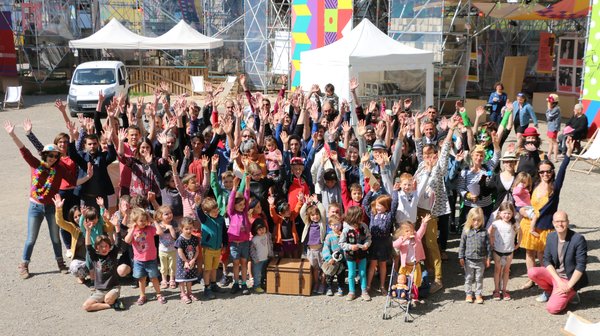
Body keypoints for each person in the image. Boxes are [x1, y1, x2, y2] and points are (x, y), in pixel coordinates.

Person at [5, 120, 69, 278]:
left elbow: (73, 181)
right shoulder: (36, 164)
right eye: (50, 155)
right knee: (31, 239)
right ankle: (24, 265)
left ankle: (60, 262)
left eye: (56, 156)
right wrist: (13, 135)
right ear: (44, 155)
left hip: (51, 207)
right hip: (35, 207)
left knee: (55, 237)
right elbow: (24, 150)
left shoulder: (59, 170)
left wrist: (88, 176)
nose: (53, 158)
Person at [520, 138, 575, 290]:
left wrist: (568, 155)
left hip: (545, 228)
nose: (545, 174)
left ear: (552, 173)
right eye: (542, 172)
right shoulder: (536, 183)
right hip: (530, 224)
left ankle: (545, 281)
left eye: (548, 171)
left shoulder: (555, 187)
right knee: (529, 254)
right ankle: (531, 278)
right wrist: (534, 153)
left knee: (544, 256)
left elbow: (562, 171)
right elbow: (539, 164)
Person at [527, 211, 588, 314]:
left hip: (569, 279)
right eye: (557, 221)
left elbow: (581, 265)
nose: (560, 224)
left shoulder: (578, 239)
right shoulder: (551, 237)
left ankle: (572, 293)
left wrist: (568, 286)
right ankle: (550, 291)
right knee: (532, 272)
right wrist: (558, 280)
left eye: (563, 221)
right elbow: (547, 260)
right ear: (553, 223)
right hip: (557, 276)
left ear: (568, 222)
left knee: (552, 309)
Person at [82, 213, 130, 312]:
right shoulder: (95, 257)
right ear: (97, 248)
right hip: (99, 291)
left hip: (113, 288)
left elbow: (118, 242)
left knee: (108, 298)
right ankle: (112, 305)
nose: (104, 248)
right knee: (86, 306)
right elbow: (88, 247)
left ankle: (107, 301)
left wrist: (116, 226)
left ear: (109, 246)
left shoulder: (112, 254)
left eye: (106, 246)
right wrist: (88, 231)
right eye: (101, 246)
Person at [124, 208, 167, 305]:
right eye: (141, 221)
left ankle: (159, 294)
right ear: (135, 221)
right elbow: (127, 240)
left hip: (151, 259)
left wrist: (154, 221)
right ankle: (142, 295)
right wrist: (133, 229)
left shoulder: (150, 229)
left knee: (154, 278)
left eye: (145, 220)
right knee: (141, 279)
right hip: (139, 260)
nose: (143, 222)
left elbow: (160, 232)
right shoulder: (132, 230)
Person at [363, 188, 398, 296]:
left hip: (384, 243)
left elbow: (395, 203)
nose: (377, 207)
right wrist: (371, 191)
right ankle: (368, 285)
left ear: (386, 207)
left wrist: (395, 191)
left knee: (382, 265)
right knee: (372, 264)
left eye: (380, 205)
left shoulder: (389, 215)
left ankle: (382, 285)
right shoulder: (373, 214)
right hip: (374, 242)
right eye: (377, 205)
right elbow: (365, 203)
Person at [392, 214, 432, 302]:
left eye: (411, 230)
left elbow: (421, 231)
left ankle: (414, 296)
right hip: (405, 265)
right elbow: (394, 245)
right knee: (402, 280)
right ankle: (402, 294)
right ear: (402, 233)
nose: (409, 233)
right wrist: (403, 239)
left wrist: (424, 223)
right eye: (406, 231)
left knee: (414, 282)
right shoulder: (402, 240)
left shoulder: (417, 237)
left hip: (415, 264)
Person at [458, 207, 491, 304]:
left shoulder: (484, 232)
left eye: (478, 220)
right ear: (470, 220)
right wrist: (461, 257)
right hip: (468, 260)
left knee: (479, 278)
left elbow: (488, 246)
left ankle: (478, 294)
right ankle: (468, 294)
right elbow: (462, 245)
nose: (476, 222)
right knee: (468, 278)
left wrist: (489, 258)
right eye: (474, 220)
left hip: (480, 260)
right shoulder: (466, 231)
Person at [197, 196, 228, 299]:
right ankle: (207, 288)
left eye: (217, 210)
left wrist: (225, 244)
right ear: (207, 212)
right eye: (214, 211)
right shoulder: (205, 219)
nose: (216, 212)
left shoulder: (220, 219)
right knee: (207, 270)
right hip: (208, 249)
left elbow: (224, 233)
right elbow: (200, 213)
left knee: (215, 268)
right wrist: (198, 205)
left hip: (218, 248)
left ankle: (214, 284)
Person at [339, 206, 372, 302]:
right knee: (351, 273)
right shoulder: (346, 230)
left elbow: (368, 238)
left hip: (362, 254)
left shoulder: (364, 226)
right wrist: (350, 247)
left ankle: (364, 291)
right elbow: (341, 243)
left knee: (362, 273)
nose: (360, 220)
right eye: (359, 218)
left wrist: (367, 244)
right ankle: (351, 291)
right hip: (350, 255)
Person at [489, 202, 520, 301]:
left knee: (506, 271)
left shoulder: (514, 224)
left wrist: (518, 244)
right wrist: (491, 242)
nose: (507, 215)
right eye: (504, 213)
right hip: (497, 251)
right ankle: (496, 290)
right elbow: (490, 232)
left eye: (509, 213)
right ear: (500, 213)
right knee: (497, 270)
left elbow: (521, 233)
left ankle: (504, 290)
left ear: (513, 214)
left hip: (509, 251)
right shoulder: (496, 224)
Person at [227, 175, 252, 295]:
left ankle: (244, 283)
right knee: (236, 263)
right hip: (234, 244)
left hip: (245, 242)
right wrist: (234, 188)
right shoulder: (232, 213)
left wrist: (247, 185)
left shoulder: (245, 212)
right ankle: (235, 282)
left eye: (243, 205)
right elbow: (231, 201)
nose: (242, 207)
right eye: (240, 205)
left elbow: (247, 198)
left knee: (243, 262)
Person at [300, 195, 327, 294]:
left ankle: (323, 283)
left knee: (323, 268)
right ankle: (316, 283)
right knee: (315, 268)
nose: (315, 216)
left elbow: (323, 211)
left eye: (316, 214)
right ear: (309, 217)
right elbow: (302, 213)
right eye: (312, 215)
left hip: (321, 250)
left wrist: (317, 202)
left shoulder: (322, 223)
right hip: (311, 251)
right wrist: (306, 203)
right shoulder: (308, 223)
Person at [174, 217, 201, 304]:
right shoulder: (180, 239)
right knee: (182, 279)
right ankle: (183, 294)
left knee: (189, 277)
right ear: (181, 229)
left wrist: (193, 259)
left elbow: (197, 250)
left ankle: (189, 292)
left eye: (190, 228)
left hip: (191, 261)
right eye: (186, 229)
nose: (189, 230)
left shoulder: (194, 238)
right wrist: (185, 261)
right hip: (182, 262)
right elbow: (180, 251)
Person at [321, 214, 346, 296]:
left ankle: (340, 287)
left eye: (338, 224)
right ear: (330, 226)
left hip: (341, 260)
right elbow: (326, 248)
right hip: (331, 260)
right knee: (329, 274)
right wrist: (329, 258)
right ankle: (329, 287)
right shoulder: (329, 236)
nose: (336, 226)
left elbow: (345, 246)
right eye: (334, 225)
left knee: (341, 274)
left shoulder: (343, 235)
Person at [155, 205, 177, 290]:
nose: (169, 215)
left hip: (172, 250)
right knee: (163, 266)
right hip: (162, 250)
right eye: (166, 214)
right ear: (161, 216)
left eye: (170, 213)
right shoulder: (159, 225)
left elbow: (175, 237)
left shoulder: (174, 224)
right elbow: (158, 233)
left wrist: (171, 228)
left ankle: (172, 279)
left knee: (172, 266)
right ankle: (164, 280)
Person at [249, 218, 273, 293]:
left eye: (263, 229)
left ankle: (262, 284)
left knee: (263, 273)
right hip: (258, 260)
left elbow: (270, 245)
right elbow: (252, 250)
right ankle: (256, 286)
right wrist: (255, 259)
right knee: (257, 274)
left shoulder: (267, 236)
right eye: (259, 230)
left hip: (265, 258)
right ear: (255, 230)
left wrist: (270, 254)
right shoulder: (254, 239)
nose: (262, 231)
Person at [545, 94, 561, 162]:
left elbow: (549, 117)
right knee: (550, 141)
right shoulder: (552, 109)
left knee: (554, 142)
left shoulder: (556, 109)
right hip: (550, 127)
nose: (548, 103)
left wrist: (548, 109)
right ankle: (549, 155)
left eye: (549, 102)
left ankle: (555, 157)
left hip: (553, 127)